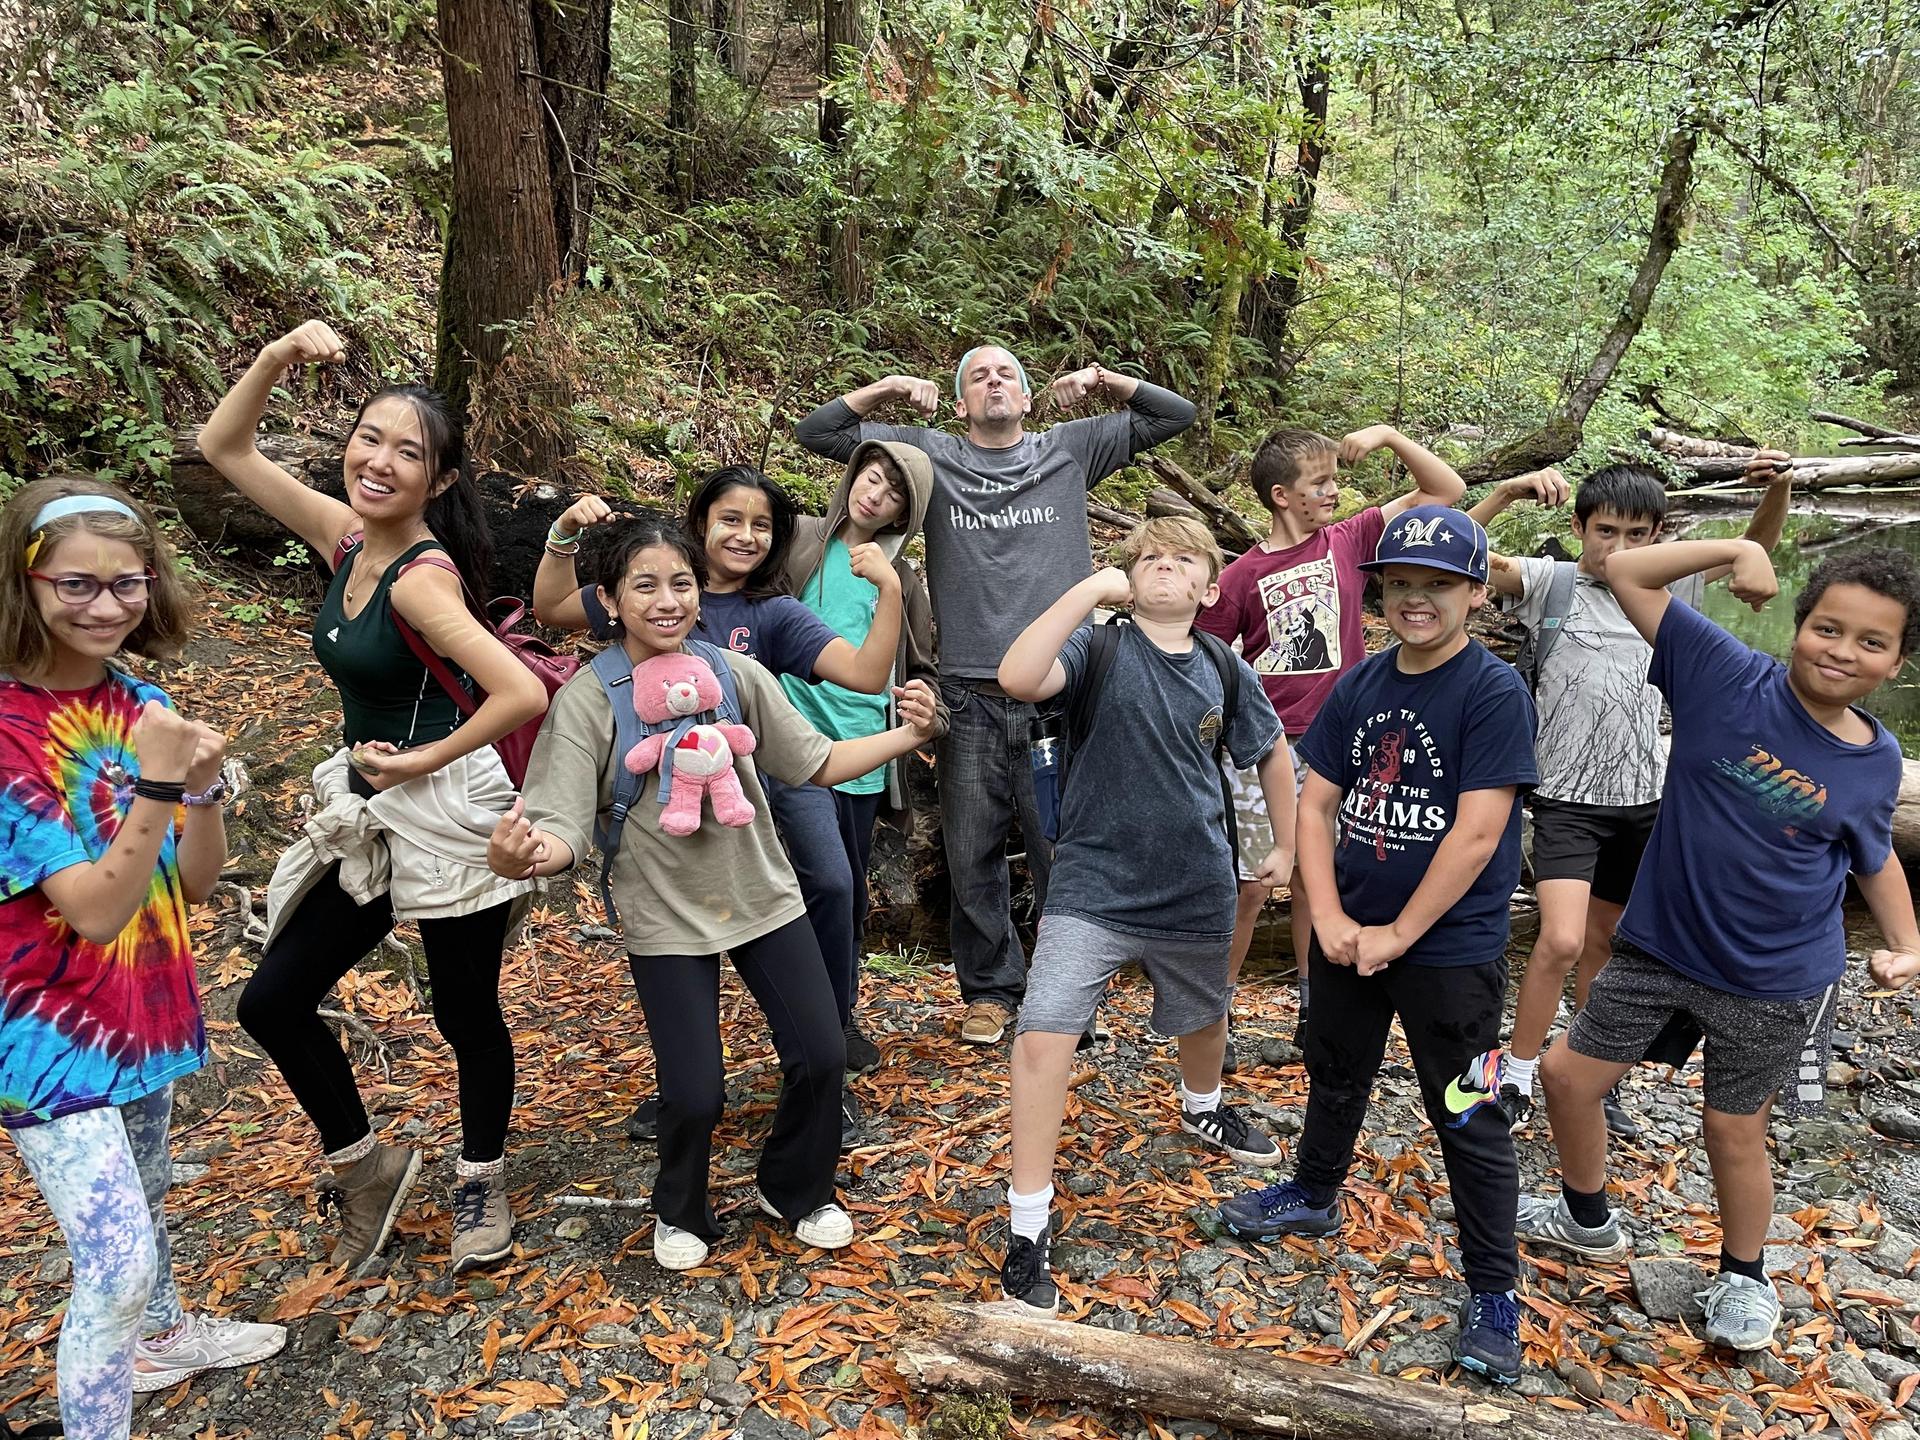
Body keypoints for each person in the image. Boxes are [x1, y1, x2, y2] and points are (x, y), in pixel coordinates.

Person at [489, 513, 943, 1271]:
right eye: (645, 586)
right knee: (695, 1093)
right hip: (663, 911)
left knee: (822, 1053)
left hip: (762, 892)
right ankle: (683, 1208)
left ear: (700, 595)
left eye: (682, 584)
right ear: (609, 598)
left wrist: (909, 737)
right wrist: (524, 857)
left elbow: (820, 762)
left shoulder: (735, 676)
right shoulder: (591, 699)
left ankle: (794, 1190)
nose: (667, 601)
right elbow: (562, 824)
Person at [199, 321, 550, 1276]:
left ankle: (483, 1175)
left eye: (409, 452)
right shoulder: (345, 535)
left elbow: (522, 693)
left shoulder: (421, 582)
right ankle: (367, 1167)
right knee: (273, 1000)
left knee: (464, 1013)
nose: (379, 460)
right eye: (368, 437)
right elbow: (222, 449)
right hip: (370, 806)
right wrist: (274, 358)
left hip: (447, 809)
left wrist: (422, 756)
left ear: (439, 481)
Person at [1514, 540, 1920, 1352]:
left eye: (1871, 642)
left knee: (1732, 1128)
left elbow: (1873, 858)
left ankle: (1744, 1275)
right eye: (1827, 628)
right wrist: (1740, 545)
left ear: (1898, 663)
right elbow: (1621, 569)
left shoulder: (1876, 760)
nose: (1842, 652)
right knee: (1565, 1076)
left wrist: (1908, 944)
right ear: (1798, 625)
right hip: (1658, 948)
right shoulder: (1722, 671)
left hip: (1776, 978)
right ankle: (1586, 1216)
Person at [1215, 506, 1537, 1386]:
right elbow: (1317, 803)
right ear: (1378, 594)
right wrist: (1328, 916)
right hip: (1349, 932)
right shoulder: (1361, 683)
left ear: (1475, 593)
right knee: (1335, 1065)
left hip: (1451, 951)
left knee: (1470, 1108)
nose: (1417, 601)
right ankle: (1314, 1193)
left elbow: (1477, 835)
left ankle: (1494, 1286)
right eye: (1400, 585)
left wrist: (1399, 932)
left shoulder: (1492, 692)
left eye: (1438, 585)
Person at [795, 349, 1196, 1045]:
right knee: (971, 850)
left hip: (1064, 690)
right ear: (959, 404)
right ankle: (989, 991)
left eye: (1005, 373)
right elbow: (821, 433)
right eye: (976, 377)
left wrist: (1104, 380)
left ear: (1030, 393)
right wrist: (889, 388)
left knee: (1064, 848)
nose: (993, 383)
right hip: (967, 691)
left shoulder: (1070, 448)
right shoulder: (931, 454)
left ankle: (1067, 993)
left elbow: (1174, 414)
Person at [0, 479, 286, 1438]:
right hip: (46, 1031)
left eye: (128, 583)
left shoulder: (140, 701)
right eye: (75, 584)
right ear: (26, 583)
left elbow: (196, 885)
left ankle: (161, 1338)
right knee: (113, 1264)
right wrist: (163, 778)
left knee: (149, 1191)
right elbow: (89, 908)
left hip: (143, 1004)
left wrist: (199, 792)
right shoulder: (8, 729)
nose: (105, 605)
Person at [994, 516, 1294, 1314]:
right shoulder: (1100, 648)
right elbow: (1019, 677)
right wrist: (1091, 590)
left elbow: (1271, 751)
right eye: (1148, 558)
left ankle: (1203, 1107)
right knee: (1045, 1028)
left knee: (1203, 1013)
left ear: (1209, 585)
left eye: (1183, 559)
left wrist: (1286, 848)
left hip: (1196, 882)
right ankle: (1029, 1224)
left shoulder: (1224, 667)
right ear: (1129, 578)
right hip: (1092, 883)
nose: (1165, 568)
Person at [1470, 457, 1791, 1138]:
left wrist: (1780, 490)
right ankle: (1516, 1071)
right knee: (1556, 940)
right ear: (1578, 526)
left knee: (1606, 948)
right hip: (1564, 799)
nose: (1619, 549)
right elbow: (1451, 555)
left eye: (1637, 535)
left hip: (1648, 801)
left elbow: (1752, 553)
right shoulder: (1548, 584)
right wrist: (1502, 491)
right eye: (1605, 531)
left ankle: (1591, 1077)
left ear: (1661, 536)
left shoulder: (1675, 591)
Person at [1196, 426, 1473, 1061]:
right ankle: (1220, 1010)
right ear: (1280, 497)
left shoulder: (1350, 539)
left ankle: (1311, 1003)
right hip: (1265, 746)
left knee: (1319, 878)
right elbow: (1209, 664)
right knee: (1252, 884)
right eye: (1319, 485)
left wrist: (1390, 437)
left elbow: (1446, 490)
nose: (1333, 493)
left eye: (1333, 481)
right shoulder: (1242, 575)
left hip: (1341, 743)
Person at [778, 441, 944, 1070]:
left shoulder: (903, 581)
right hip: (779, 742)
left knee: (841, 889)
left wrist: (928, 710)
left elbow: (925, 673)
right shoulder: (798, 540)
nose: (875, 495)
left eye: (895, 492)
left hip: (859, 754)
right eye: (871, 478)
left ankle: (836, 1017)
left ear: (906, 514)